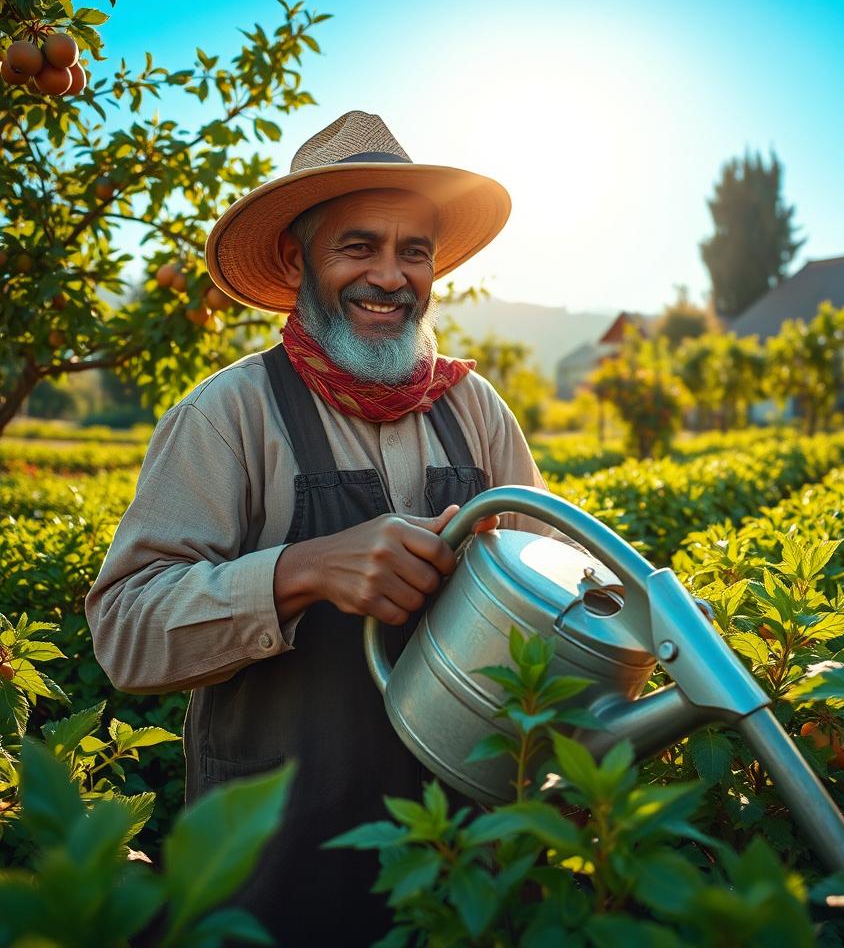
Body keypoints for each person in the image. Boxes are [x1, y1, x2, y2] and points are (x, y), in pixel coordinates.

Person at [85, 110, 575, 946]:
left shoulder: (473, 408)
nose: (390, 277)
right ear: (296, 258)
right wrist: (300, 570)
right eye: (358, 246)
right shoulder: (228, 416)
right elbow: (126, 634)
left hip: (463, 866)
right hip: (281, 868)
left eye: (412, 251)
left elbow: (555, 579)